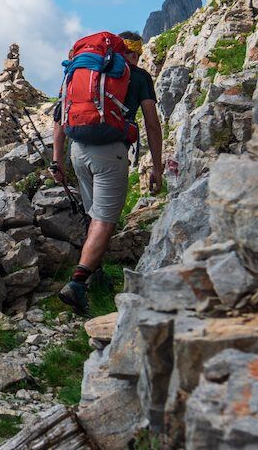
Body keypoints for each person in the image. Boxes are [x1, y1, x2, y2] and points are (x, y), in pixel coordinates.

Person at [51, 31, 163, 316]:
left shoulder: (86, 73)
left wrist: (57, 162)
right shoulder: (138, 76)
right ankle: (77, 283)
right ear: (135, 53)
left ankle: (93, 277)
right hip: (110, 153)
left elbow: (59, 117)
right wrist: (157, 166)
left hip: (78, 150)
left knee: (93, 213)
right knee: (105, 220)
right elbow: (151, 123)